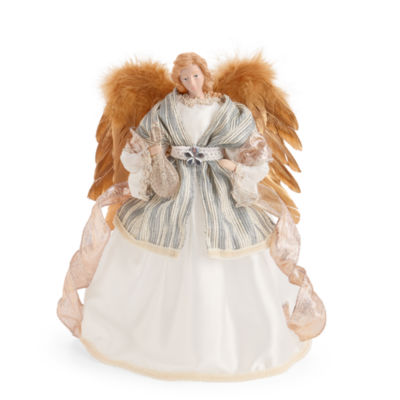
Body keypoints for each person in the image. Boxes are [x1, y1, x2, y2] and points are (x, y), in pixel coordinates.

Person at [57, 52, 326, 381]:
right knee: (156, 240)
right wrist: (153, 154)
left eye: (195, 76)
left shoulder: (228, 110)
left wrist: (234, 166)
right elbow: (140, 140)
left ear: (205, 75)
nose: (190, 82)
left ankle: (233, 339)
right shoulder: (166, 109)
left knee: (229, 244)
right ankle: (150, 336)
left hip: (217, 187)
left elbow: (251, 146)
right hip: (174, 187)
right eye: (184, 78)